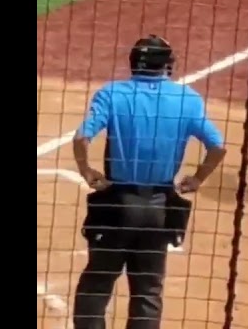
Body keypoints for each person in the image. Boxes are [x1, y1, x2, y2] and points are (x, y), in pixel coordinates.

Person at [70, 35, 227, 329]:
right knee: (148, 291)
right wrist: (197, 179)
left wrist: (86, 170)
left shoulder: (112, 94)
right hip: (159, 209)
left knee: (97, 283)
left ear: (133, 64)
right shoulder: (187, 99)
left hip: (117, 207)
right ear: (167, 65)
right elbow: (217, 146)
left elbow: (81, 137)